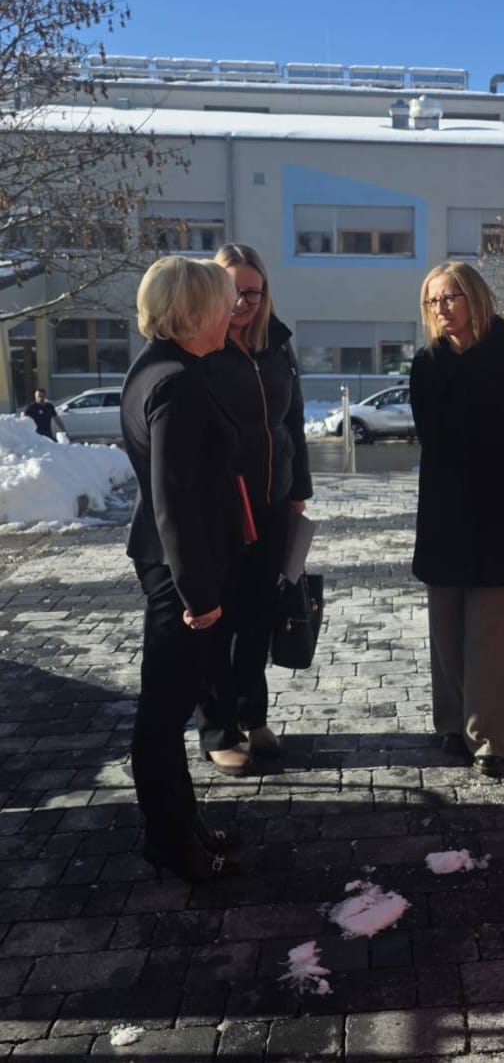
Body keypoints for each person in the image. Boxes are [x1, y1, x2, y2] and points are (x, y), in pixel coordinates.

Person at [121, 255, 242, 882]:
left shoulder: (157, 367)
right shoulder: (175, 383)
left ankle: (181, 824)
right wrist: (198, 593)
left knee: (168, 707)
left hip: (170, 563)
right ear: (195, 312)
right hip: (179, 572)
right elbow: (172, 498)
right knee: (163, 715)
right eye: (224, 303)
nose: (233, 312)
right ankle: (170, 843)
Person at [410, 261, 504, 778]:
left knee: (492, 634)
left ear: (475, 298)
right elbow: (431, 437)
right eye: (433, 301)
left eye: (451, 297)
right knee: (446, 628)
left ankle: (493, 738)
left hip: (498, 514)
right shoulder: (426, 363)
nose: (442, 309)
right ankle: (453, 722)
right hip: (444, 512)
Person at [195, 243, 313, 773]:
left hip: (272, 503)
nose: (242, 302)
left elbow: (294, 423)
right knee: (218, 621)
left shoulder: (277, 345)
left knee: (259, 618)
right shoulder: (201, 346)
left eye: (252, 292)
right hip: (221, 509)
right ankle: (217, 728)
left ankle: (253, 715)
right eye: (232, 291)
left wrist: (299, 489)